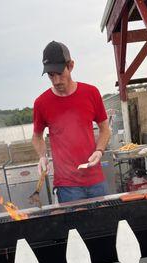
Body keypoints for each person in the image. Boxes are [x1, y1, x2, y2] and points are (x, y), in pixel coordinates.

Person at [32, 41, 111, 203]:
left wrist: (100, 150)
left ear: (71, 66)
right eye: (51, 75)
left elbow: (105, 129)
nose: (56, 81)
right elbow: (37, 136)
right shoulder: (41, 103)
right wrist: (42, 156)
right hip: (67, 186)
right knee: (74, 228)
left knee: (105, 225)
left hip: (95, 179)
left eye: (60, 73)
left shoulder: (91, 93)